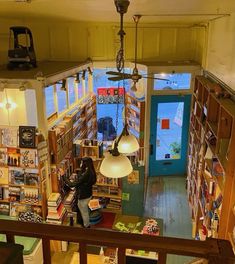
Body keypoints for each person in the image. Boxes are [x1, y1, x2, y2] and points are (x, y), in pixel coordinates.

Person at [63, 157, 97, 228]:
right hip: (88, 194)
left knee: (84, 211)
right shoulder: (90, 171)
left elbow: (72, 184)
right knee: (84, 209)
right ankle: (84, 223)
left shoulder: (86, 174)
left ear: (85, 164)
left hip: (83, 196)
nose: (80, 164)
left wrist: (63, 175)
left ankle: (86, 226)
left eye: (82, 163)